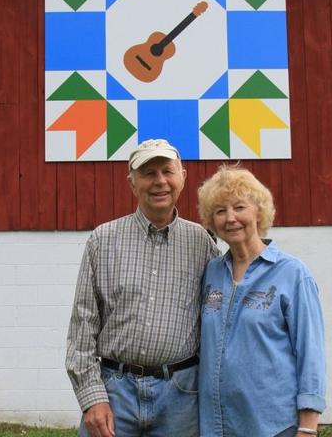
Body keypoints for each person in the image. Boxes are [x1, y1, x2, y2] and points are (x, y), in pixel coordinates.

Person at [66, 139, 220, 437]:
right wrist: (92, 399)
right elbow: (82, 329)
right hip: (114, 392)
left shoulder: (202, 244)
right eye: (148, 173)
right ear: (132, 183)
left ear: (182, 177)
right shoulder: (103, 240)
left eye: (167, 171)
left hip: (180, 396)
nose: (159, 181)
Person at [197, 165, 326, 437]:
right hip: (217, 426)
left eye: (239, 207)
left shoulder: (293, 274)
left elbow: (311, 354)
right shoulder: (212, 273)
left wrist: (308, 426)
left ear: (258, 211)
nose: (231, 218)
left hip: (274, 426)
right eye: (220, 211)